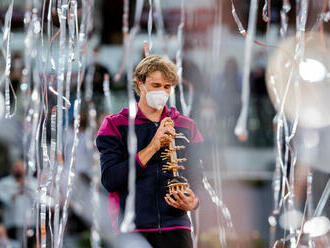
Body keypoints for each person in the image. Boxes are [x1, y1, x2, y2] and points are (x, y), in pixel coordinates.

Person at [96, 55, 203, 248]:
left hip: (176, 229)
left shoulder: (186, 126)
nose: (162, 91)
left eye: (167, 86)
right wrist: (153, 146)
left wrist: (193, 202)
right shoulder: (115, 125)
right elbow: (110, 180)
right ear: (141, 84)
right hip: (131, 230)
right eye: (156, 85)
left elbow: (197, 178)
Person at [0, 159, 36, 242]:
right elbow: (3, 199)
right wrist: (15, 194)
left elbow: (40, 199)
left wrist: (27, 189)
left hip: (30, 223)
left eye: (21, 167)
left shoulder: (33, 183)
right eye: (16, 167)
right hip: (12, 222)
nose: (18, 169)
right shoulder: (4, 183)